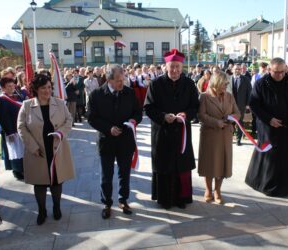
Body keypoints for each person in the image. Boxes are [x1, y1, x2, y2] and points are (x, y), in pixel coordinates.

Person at [144, 49, 199, 209]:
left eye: (178, 67)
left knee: (181, 166)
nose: (174, 70)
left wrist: (186, 114)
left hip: (182, 132)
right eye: (172, 67)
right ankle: (165, 199)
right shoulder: (155, 84)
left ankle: (182, 198)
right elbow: (148, 107)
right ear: (165, 66)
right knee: (165, 165)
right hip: (163, 132)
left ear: (182, 67)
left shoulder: (189, 84)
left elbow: (195, 106)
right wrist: (162, 116)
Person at [17, 74, 75, 225]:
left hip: (56, 149)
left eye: (49, 87)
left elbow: (69, 120)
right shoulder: (27, 105)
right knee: (40, 183)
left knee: (56, 180)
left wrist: (61, 132)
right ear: (36, 89)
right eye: (43, 88)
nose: (47, 90)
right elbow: (21, 127)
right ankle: (41, 210)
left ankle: (57, 207)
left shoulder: (60, 103)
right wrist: (32, 147)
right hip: (38, 150)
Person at [245, 57, 288, 197]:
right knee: (271, 159)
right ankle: (268, 185)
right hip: (269, 128)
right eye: (276, 72)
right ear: (269, 70)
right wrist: (269, 119)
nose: (280, 75)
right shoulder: (261, 83)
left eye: (282, 71)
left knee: (287, 157)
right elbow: (254, 104)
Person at [88, 65, 142, 219]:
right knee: (106, 174)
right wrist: (108, 128)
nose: (122, 82)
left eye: (123, 79)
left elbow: (138, 112)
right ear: (109, 79)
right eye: (118, 80)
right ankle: (106, 203)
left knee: (124, 173)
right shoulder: (96, 95)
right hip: (107, 141)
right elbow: (91, 118)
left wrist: (134, 120)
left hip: (125, 140)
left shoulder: (129, 93)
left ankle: (123, 200)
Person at [198, 71, 240, 204]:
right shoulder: (204, 96)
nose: (226, 86)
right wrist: (216, 122)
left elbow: (237, 113)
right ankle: (208, 190)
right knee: (209, 163)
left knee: (222, 163)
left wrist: (231, 119)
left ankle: (217, 190)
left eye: (227, 83)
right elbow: (201, 115)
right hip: (210, 135)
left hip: (225, 135)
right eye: (224, 83)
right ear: (216, 83)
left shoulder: (229, 96)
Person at [0, 77, 24, 180]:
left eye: (12, 85)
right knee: (15, 151)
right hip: (11, 130)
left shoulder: (17, 97)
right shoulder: (1, 100)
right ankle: (17, 171)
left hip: (20, 129)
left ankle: (22, 169)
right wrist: (10, 132)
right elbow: (3, 118)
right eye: (8, 86)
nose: (12, 88)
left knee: (22, 151)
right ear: (3, 88)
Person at [227, 63, 252, 146]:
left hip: (241, 105)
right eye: (235, 69)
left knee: (240, 123)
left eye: (239, 69)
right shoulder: (228, 79)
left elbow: (249, 92)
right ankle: (229, 138)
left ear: (241, 70)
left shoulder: (245, 79)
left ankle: (238, 139)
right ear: (232, 70)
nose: (237, 70)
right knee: (230, 122)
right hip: (229, 105)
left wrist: (247, 104)